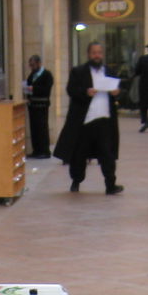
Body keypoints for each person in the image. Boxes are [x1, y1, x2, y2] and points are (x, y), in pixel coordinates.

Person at [52, 42, 123, 195]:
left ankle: (110, 184)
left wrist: (117, 92)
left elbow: (118, 90)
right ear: (88, 54)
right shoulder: (78, 72)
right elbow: (71, 90)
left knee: (107, 154)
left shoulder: (109, 71)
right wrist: (85, 92)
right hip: (85, 121)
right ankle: (76, 181)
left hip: (105, 120)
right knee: (79, 154)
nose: (97, 56)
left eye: (99, 53)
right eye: (94, 53)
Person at [24, 55, 53, 158]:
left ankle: (44, 151)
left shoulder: (47, 75)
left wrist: (33, 88)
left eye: (33, 65)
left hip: (42, 105)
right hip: (33, 105)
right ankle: (36, 150)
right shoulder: (32, 75)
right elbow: (28, 85)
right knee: (34, 128)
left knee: (42, 128)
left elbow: (46, 89)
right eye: (30, 65)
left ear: (39, 63)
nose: (32, 67)